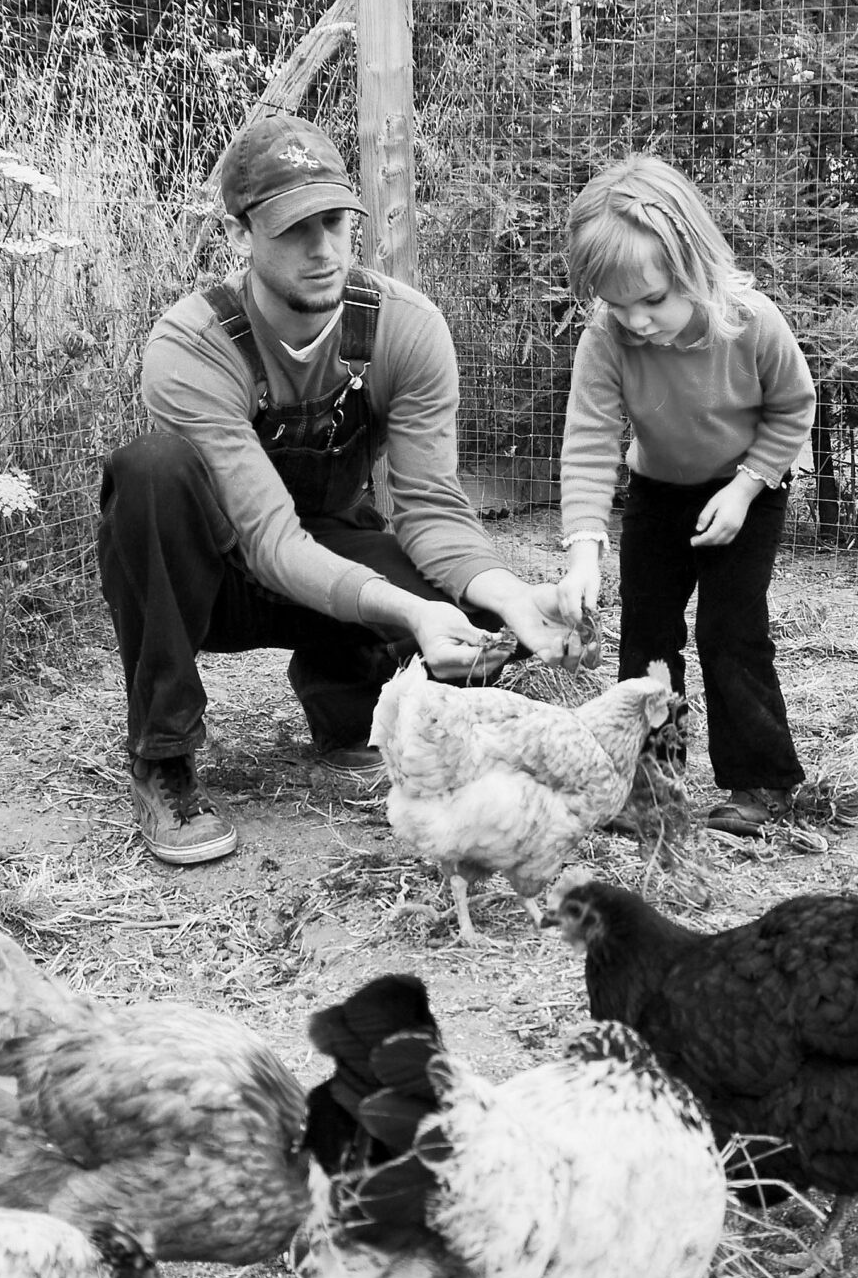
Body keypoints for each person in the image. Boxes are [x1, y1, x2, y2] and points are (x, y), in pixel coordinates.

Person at [99, 113, 577, 865]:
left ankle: (346, 703)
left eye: (335, 222)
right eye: (294, 229)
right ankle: (163, 753)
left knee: (487, 624)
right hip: (212, 580)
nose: (322, 249)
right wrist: (409, 610)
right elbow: (269, 541)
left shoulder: (405, 329)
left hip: (323, 546)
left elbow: (431, 510)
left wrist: (504, 592)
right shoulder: (191, 345)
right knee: (151, 471)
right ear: (240, 237)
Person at [553, 155, 816, 837]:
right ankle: (651, 783)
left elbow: (793, 407)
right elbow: (588, 442)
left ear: (695, 266)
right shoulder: (607, 342)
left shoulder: (752, 323)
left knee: (730, 632)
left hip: (746, 491)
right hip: (658, 493)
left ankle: (761, 782)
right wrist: (583, 550)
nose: (637, 321)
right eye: (619, 304)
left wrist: (746, 486)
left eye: (654, 300)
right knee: (647, 637)